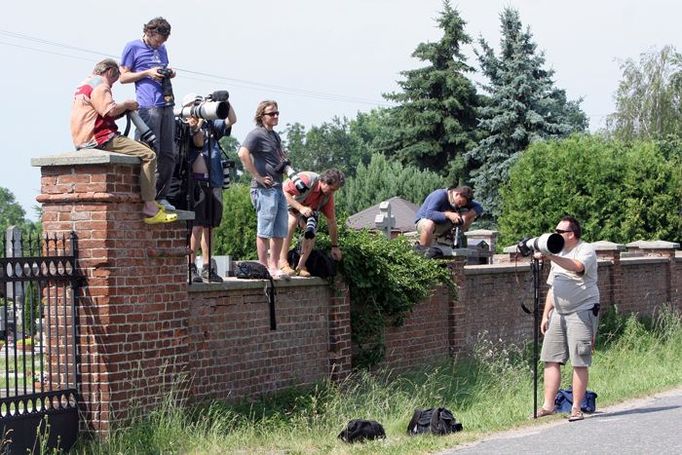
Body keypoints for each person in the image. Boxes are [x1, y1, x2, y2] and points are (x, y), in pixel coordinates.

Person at [70, 58, 177, 224]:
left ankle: (148, 200)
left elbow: (101, 112)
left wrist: (124, 109)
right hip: (100, 138)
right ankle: (150, 207)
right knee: (149, 155)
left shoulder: (85, 84)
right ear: (110, 71)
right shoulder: (101, 84)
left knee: (139, 149)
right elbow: (109, 110)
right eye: (115, 78)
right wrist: (127, 104)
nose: (113, 84)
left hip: (84, 138)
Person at [535, 216, 600, 422]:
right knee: (550, 358)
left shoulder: (585, 249)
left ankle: (576, 407)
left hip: (582, 310)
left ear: (571, 234)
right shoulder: (558, 253)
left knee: (579, 360)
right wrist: (546, 314)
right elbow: (553, 287)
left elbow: (577, 266)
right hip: (559, 313)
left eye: (559, 231)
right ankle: (548, 405)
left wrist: (550, 256)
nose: (555, 234)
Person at [178, 94, 237, 283]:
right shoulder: (185, 127)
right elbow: (198, 142)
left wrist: (223, 102)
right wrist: (197, 120)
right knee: (195, 226)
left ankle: (207, 266)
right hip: (196, 183)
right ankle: (190, 265)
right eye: (195, 105)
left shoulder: (211, 126)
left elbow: (231, 119)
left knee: (210, 227)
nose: (198, 108)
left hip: (215, 180)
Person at [120, 17, 177, 213]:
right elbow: (123, 77)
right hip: (147, 105)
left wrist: (168, 72)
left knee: (169, 153)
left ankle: (161, 196)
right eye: (159, 40)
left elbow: (162, 68)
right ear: (150, 32)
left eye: (163, 42)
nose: (160, 44)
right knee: (151, 150)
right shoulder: (132, 47)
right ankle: (146, 197)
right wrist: (147, 73)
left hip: (167, 103)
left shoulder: (162, 49)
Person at [238, 100, 291, 278]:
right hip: (264, 190)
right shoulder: (256, 134)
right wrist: (257, 177)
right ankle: (263, 267)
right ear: (262, 116)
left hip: (277, 187)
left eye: (277, 113)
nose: (276, 116)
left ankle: (273, 266)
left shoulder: (275, 136)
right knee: (265, 229)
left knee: (279, 229)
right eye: (271, 113)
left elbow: (277, 157)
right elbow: (242, 153)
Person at [279, 169, 345, 277]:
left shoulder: (327, 197)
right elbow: (283, 193)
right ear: (324, 182)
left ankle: (300, 266)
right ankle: (282, 261)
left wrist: (335, 246)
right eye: (331, 189)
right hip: (281, 202)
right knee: (292, 221)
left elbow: (332, 222)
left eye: (335, 190)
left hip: (298, 211)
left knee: (311, 232)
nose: (332, 193)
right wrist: (300, 208)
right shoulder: (307, 180)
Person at [414, 185, 483, 247]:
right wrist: (448, 214)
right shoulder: (440, 194)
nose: (460, 206)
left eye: (462, 205)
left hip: (443, 225)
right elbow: (429, 214)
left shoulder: (463, 200)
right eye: (459, 203)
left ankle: (454, 239)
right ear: (457, 194)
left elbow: (479, 207)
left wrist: (466, 216)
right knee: (429, 224)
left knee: (469, 213)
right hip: (424, 222)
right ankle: (423, 251)